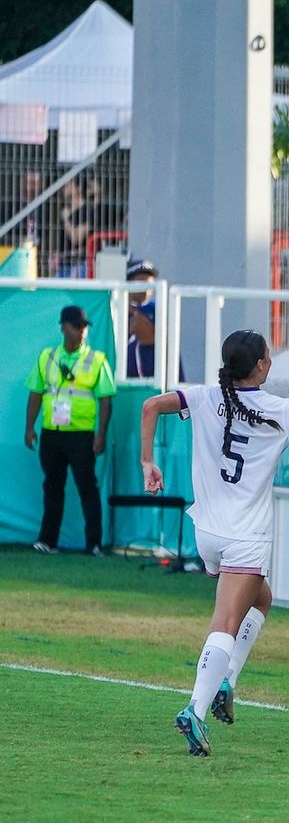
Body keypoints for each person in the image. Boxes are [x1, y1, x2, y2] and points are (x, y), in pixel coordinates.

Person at [141, 329, 289, 757]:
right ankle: (195, 710)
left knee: (261, 599)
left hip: (208, 532)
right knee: (225, 623)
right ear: (260, 365)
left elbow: (150, 405)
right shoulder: (280, 409)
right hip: (245, 535)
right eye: (268, 354)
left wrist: (148, 462)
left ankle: (227, 682)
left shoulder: (203, 396)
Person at [24, 305, 116, 555]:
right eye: (78, 326)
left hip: (81, 435)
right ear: (64, 327)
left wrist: (100, 434)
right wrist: (29, 428)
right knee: (52, 485)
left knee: (87, 486)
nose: (83, 331)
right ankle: (47, 541)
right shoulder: (47, 356)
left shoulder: (96, 360)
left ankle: (94, 543)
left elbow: (106, 400)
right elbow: (35, 392)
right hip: (51, 432)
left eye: (85, 326)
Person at [56, 178, 90, 279]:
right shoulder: (66, 210)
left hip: (78, 265)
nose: (63, 188)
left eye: (67, 184)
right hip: (63, 264)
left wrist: (66, 220)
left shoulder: (87, 210)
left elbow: (77, 239)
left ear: (78, 188)